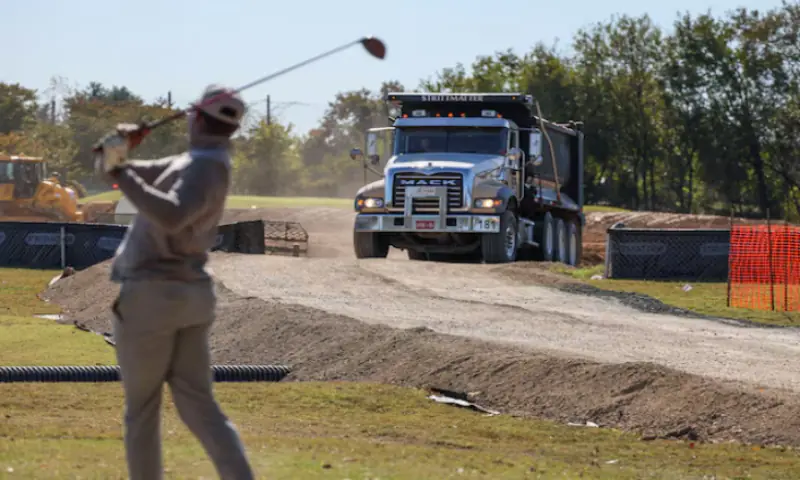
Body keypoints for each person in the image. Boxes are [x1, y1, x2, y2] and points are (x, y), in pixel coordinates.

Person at [93, 84, 255, 480]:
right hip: (190, 296)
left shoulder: (203, 166)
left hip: (151, 295)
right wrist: (119, 147)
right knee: (200, 406)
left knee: (142, 410)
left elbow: (171, 214)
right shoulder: (198, 162)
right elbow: (110, 166)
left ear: (196, 117)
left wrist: (118, 167)